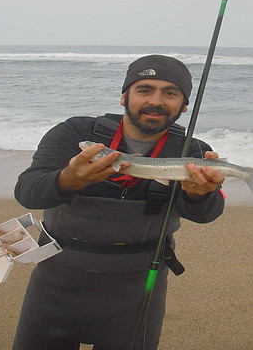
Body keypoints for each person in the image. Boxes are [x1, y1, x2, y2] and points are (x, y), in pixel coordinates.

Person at [12, 55, 226, 350]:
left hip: (140, 282)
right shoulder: (75, 134)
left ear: (185, 104)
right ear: (124, 95)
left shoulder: (193, 151)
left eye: (170, 93)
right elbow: (27, 191)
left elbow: (207, 214)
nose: (156, 101)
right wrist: (69, 179)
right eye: (144, 90)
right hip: (57, 275)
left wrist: (200, 193)